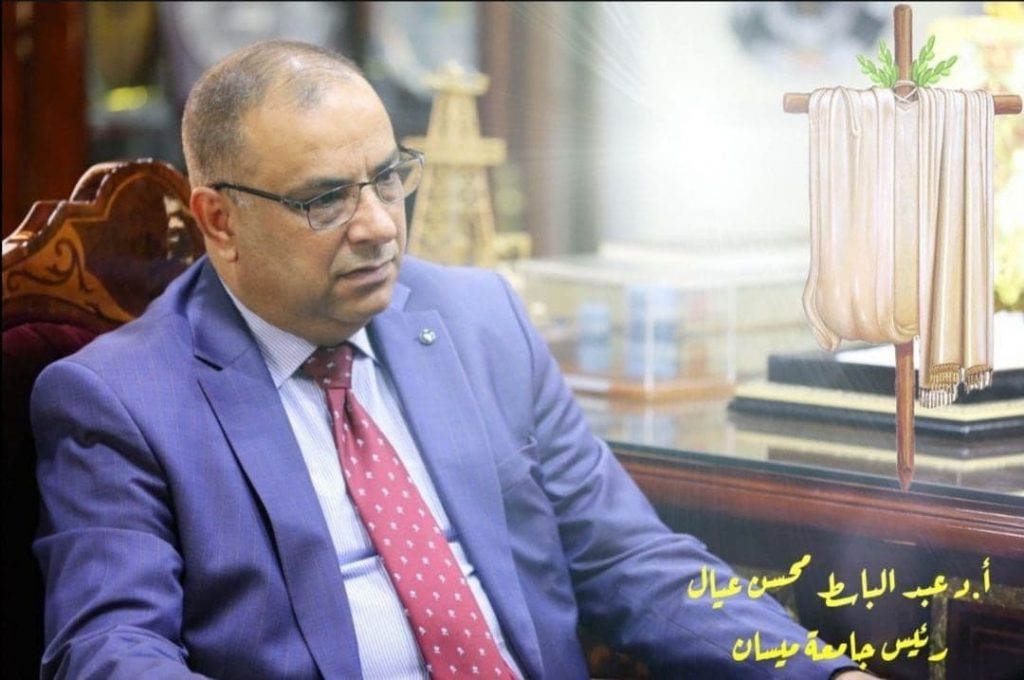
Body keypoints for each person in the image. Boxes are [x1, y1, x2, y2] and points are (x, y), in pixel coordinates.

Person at [31, 40, 871, 679]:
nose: (378, 225)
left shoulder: (479, 319)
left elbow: (630, 560)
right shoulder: (121, 399)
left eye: (388, 178)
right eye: (325, 199)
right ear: (219, 221)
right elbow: (111, 650)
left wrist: (819, 672)